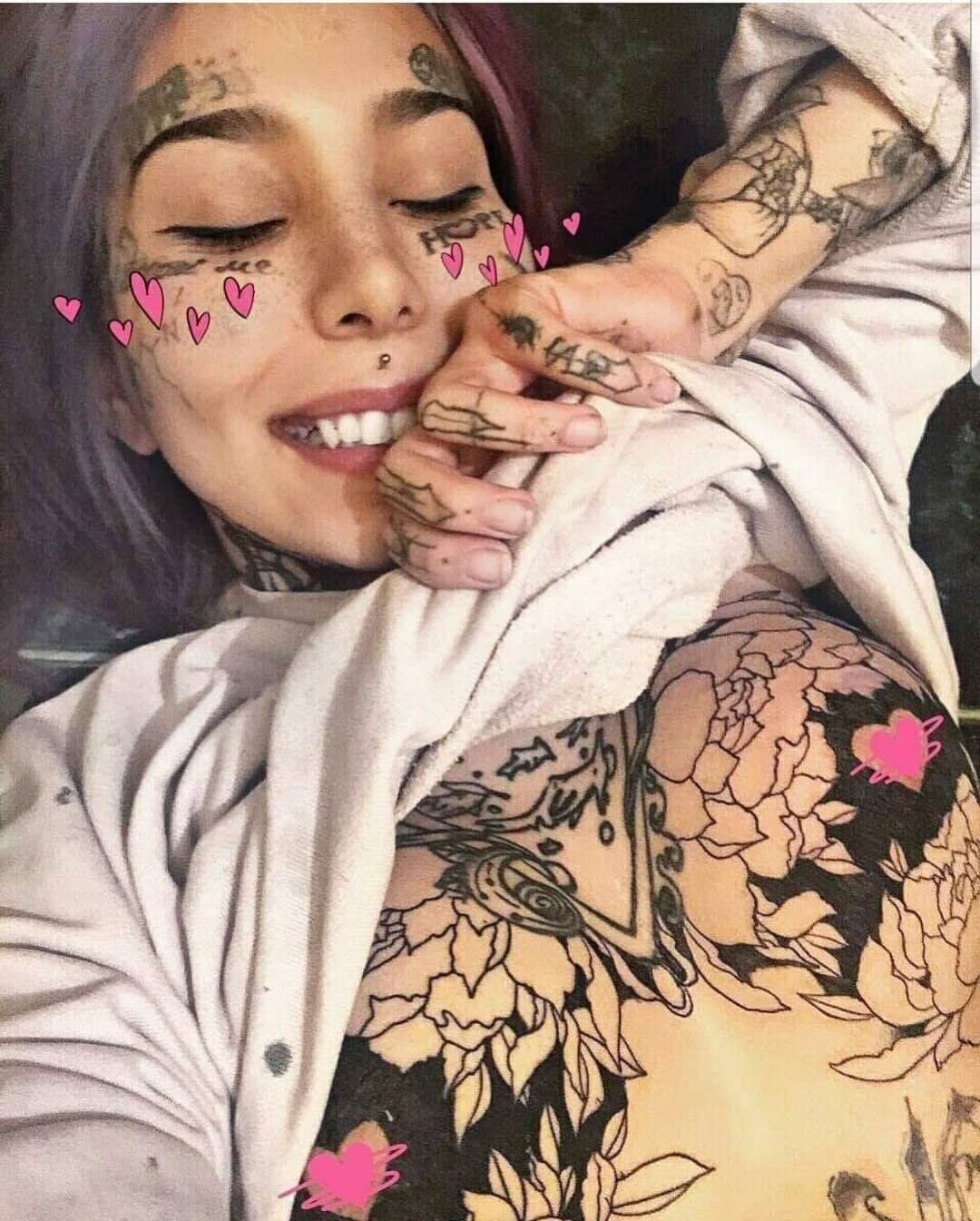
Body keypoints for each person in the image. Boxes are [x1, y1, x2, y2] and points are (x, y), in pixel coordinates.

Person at [0, 5, 974, 1221]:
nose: (375, 285)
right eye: (227, 222)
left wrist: (699, 270)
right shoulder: (98, 812)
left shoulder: (724, 421)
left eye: (437, 192)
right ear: (110, 378)